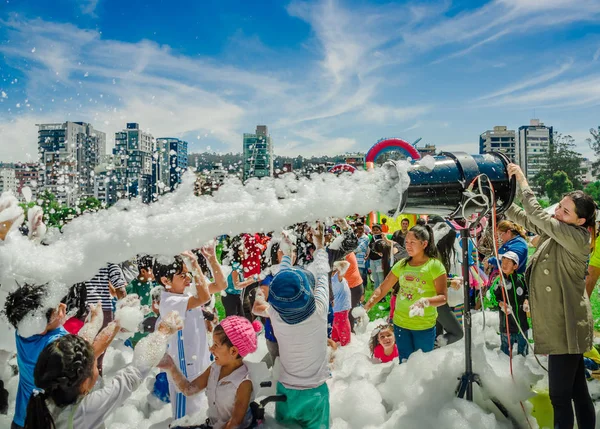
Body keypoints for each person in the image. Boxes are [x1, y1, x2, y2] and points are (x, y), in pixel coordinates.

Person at [506, 163, 596, 429]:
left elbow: (536, 213)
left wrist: (521, 180)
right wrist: (499, 202)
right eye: (559, 205)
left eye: (565, 211)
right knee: (578, 391)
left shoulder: (576, 236)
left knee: (559, 395)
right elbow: (527, 218)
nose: (557, 211)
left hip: (566, 326)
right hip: (565, 323)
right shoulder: (560, 230)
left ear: (580, 221)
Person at [23, 312, 183, 429]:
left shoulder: (43, 399)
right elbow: (131, 376)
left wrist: (105, 322)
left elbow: (86, 353)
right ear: (85, 384)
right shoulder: (85, 410)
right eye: (94, 365)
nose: (96, 362)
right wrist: (162, 333)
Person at [253, 223, 331, 429]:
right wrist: (320, 244)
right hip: (315, 391)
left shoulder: (275, 313)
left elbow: (280, 279)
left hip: (285, 389)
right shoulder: (319, 311)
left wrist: (286, 254)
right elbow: (323, 274)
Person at [156, 246, 227, 420]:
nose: (188, 278)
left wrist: (211, 259)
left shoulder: (185, 293)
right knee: (185, 420)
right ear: (166, 280)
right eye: (182, 275)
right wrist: (194, 264)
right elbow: (204, 298)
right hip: (183, 373)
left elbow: (221, 285)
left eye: (188, 273)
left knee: (201, 416)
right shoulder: (169, 301)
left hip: (199, 365)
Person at [363, 224, 448, 362]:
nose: (408, 246)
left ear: (424, 244)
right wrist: (366, 307)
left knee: (423, 364)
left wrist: (425, 302)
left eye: (412, 242)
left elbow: (443, 297)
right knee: (404, 363)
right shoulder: (402, 264)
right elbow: (382, 288)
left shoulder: (435, 266)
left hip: (424, 326)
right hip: (400, 324)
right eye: (406, 242)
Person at [160, 316, 258, 429]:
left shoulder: (243, 382)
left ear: (233, 351)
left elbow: (235, 423)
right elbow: (189, 389)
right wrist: (171, 367)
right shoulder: (215, 368)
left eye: (216, 345)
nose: (211, 349)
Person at [84, 262, 126, 376]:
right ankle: (96, 384)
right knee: (97, 356)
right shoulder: (108, 259)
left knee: (80, 354)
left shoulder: (80, 254)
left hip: (81, 312)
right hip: (103, 311)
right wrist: (124, 315)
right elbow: (120, 289)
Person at [492, 251, 529, 357]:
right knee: (505, 355)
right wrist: (500, 304)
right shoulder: (499, 281)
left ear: (515, 266)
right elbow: (491, 298)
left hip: (522, 325)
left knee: (523, 355)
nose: (504, 264)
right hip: (506, 325)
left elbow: (528, 293)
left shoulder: (521, 279)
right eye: (503, 261)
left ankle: (523, 372)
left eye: (508, 262)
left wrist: (527, 300)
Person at [223, 246, 257, 317]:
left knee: (241, 319)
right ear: (239, 253)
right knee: (234, 321)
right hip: (230, 297)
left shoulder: (242, 265)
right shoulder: (235, 266)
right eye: (246, 251)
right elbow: (237, 285)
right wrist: (254, 279)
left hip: (236, 296)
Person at [331, 260, 352, 346]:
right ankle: (342, 351)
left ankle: (340, 349)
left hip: (339, 309)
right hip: (339, 310)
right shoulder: (334, 278)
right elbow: (345, 264)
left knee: (338, 334)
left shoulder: (334, 278)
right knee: (340, 334)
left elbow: (345, 264)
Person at [367, 224, 385, 289]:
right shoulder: (372, 238)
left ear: (380, 231)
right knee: (375, 279)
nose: (375, 231)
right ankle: (376, 295)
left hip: (379, 261)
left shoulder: (383, 239)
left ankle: (382, 296)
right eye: (374, 230)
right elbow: (370, 247)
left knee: (381, 279)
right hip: (372, 261)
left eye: (377, 230)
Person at [353, 223, 370, 287]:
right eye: (359, 229)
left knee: (360, 281)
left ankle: (362, 295)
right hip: (353, 262)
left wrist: (350, 252)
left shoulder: (366, 238)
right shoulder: (354, 237)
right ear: (356, 229)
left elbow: (359, 249)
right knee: (354, 281)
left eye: (362, 229)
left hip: (361, 263)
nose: (360, 230)